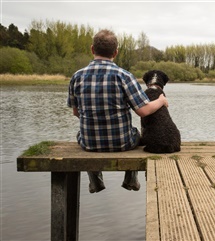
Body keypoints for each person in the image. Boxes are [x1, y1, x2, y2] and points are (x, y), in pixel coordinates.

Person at [67, 29, 168, 193]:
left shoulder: (77, 76)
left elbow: (76, 113)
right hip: (122, 143)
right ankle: (130, 179)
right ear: (116, 52)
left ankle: (95, 180)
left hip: (89, 144)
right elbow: (143, 111)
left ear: (92, 49)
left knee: (80, 134)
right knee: (136, 133)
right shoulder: (125, 76)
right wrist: (161, 100)